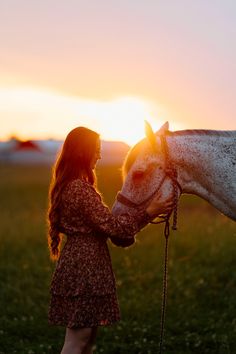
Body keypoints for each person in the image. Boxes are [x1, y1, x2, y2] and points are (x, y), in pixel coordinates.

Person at [47, 127, 174, 354]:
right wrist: (150, 211)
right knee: (77, 341)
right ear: (81, 153)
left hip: (86, 265)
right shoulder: (79, 189)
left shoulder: (74, 186)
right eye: (95, 150)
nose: (99, 155)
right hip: (85, 268)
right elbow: (114, 227)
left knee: (86, 341)